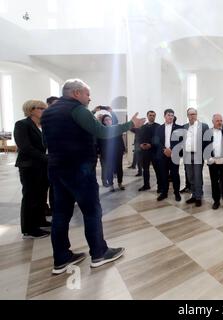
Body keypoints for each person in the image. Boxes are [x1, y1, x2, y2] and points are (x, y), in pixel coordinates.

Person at [41, 79, 145, 274]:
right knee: (92, 212)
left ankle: (61, 258)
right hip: (79, 170)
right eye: (87, 94)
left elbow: (45, 141)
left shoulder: (47, 113)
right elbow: (102, 132)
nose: (90, 98)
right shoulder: (78, 110)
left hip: (56, 169)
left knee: (61, 214)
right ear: (77, 93)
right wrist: (130, 124)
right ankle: (99, 253)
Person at [14, 100, 51, 239]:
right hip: (29, 166)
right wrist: (46, 157)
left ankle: (40, 221)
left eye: (44, 108)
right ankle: (29, 229)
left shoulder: (42, 125)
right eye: (41, 108)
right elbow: (25, 147)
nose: (44, 110)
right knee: (31, 196)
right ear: (31, 110)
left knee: (41, 195)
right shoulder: (22, 124)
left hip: (42, 165)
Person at [153, 109, 183, 202]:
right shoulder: (159, 128)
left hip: (174, 155)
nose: (170, 117)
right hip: (162, 155)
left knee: (175, 175)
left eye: (172, 115)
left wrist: (171, 149)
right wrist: (164, 149)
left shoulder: (179, 128)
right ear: (164, 116)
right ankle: (164, 193)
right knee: (163, 174)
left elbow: (181, 141)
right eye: (169, 115)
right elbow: (156, 141)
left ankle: (177, 193)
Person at [183, 108, 209, 207]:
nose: (192, 116)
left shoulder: (204, 126)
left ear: (197, 115)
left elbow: (207, 141)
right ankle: (194, 194)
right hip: (187, 155)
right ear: (187, 116)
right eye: (190, 114)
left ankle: (198, 197)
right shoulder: (185, 127)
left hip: (198, 155)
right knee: (190, 176)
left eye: (194, 114)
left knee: (197, 176)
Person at [207, 114, 223, 212]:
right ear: (213, 121)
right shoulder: (208, 133)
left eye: (221, 120)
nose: (220, 122)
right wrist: (210, 159)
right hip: (212, 161)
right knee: (214, 182)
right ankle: (216, 201)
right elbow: (204, 147)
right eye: (217, 120)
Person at [97, 115, 126, 192]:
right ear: (103, 121)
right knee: (109, 169)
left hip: (117, 152)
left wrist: (123, 149)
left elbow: (121, 140)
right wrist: (99, 152)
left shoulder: (116, 129)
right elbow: (99, 143)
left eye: (109, 119)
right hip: (107, 153)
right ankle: (111, 185)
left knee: (119, 168)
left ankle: (120, 183)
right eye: (106, 120)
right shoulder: (101, 131)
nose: (108, 121)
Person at [138, 110, 161, 192]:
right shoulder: (143, 127)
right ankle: (146, 185)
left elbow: (159, 139)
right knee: (145, 169)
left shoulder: (159, 126)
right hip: (145, 151)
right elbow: (139, 138)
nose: (152, 117)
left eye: (153, 115)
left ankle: (160, 186)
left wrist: (151, 145)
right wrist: (140, 144)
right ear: (147, 116)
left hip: (155, 151)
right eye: (150, 115)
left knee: (157, 169)